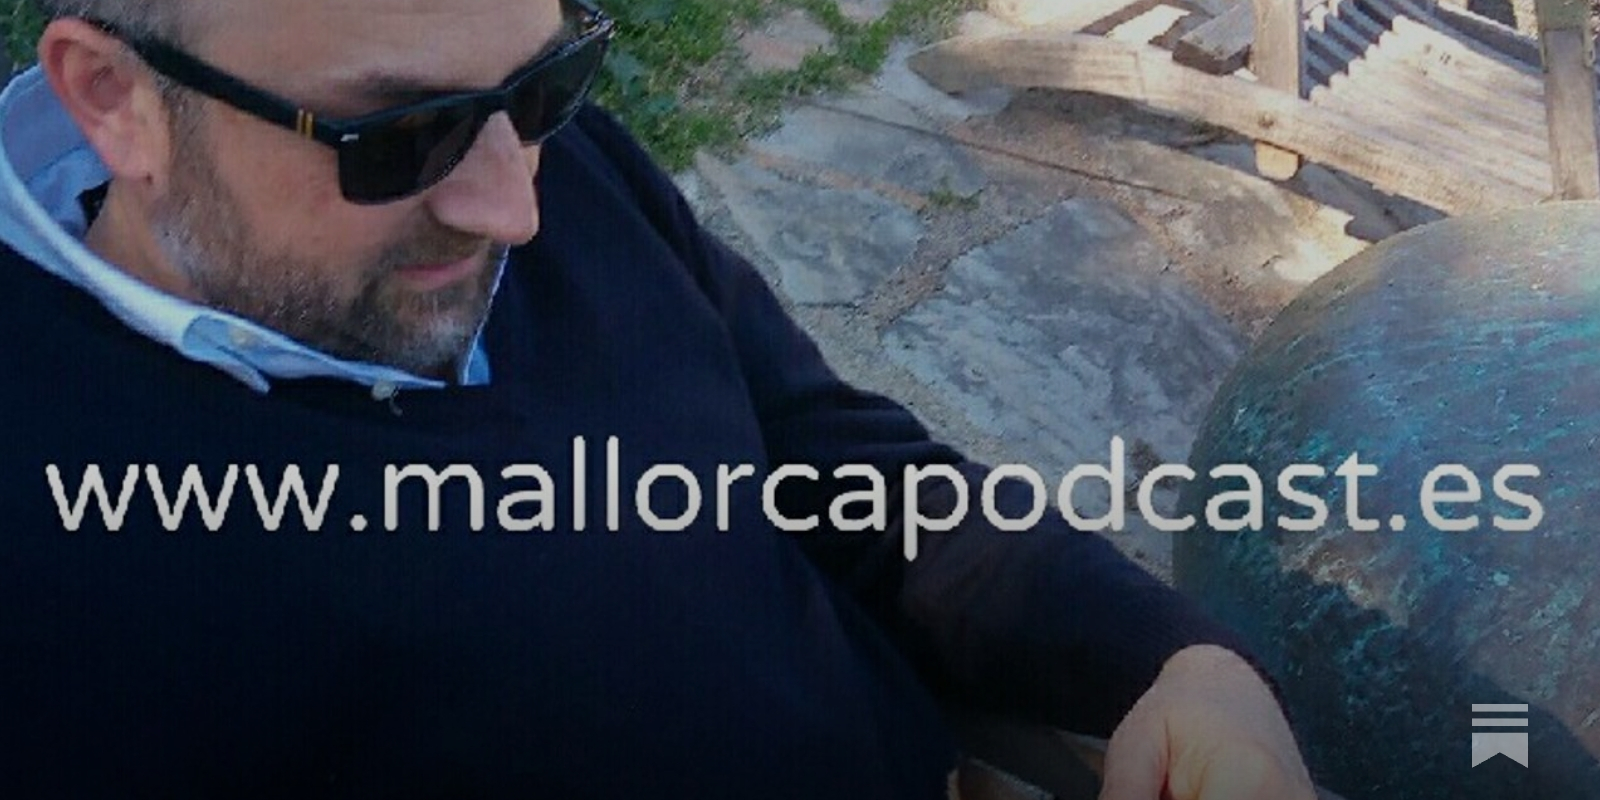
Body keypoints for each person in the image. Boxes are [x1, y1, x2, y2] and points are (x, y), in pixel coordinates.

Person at [0, 0, 1318, 797]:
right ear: (115, 100)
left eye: (546, 83)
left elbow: (822, 454)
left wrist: (1174, 661)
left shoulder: (539, 162)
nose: (515, 208)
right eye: (397, 136)